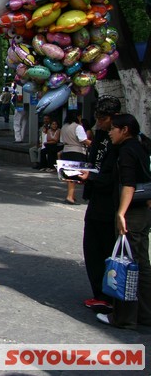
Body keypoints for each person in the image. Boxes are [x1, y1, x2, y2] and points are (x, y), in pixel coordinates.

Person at [93, 114, 151, 328]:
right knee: (142, 265)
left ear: (124, 130)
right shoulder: (141, 146)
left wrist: (121, 213)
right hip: (143, 213)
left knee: (126, 265)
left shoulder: (126, 151)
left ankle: (124, 317)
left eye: (113, 129)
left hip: (132, 215)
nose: (110, 132)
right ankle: (145, 314)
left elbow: (129, 184)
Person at [81, 96, 121, 311]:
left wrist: (92, 178)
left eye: (103, 119)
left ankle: (110, 296)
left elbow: (115, 176)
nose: (99, 123)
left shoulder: (122, 144)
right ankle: (101, 293)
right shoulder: (101, 136)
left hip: (110, 203)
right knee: (92, 247)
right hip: (96, 198)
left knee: (106, 249)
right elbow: (94, 161)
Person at [60, 112, 90, 204]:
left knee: (69, 175)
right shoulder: (78, 127)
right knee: (73, 175)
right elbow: (83, 139)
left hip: (66, 151)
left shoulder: (64, 127)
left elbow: (61, 140)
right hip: (76, 151)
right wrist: (93, 144)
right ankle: (70, 197)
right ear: (78, 117)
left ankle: (71, 195)